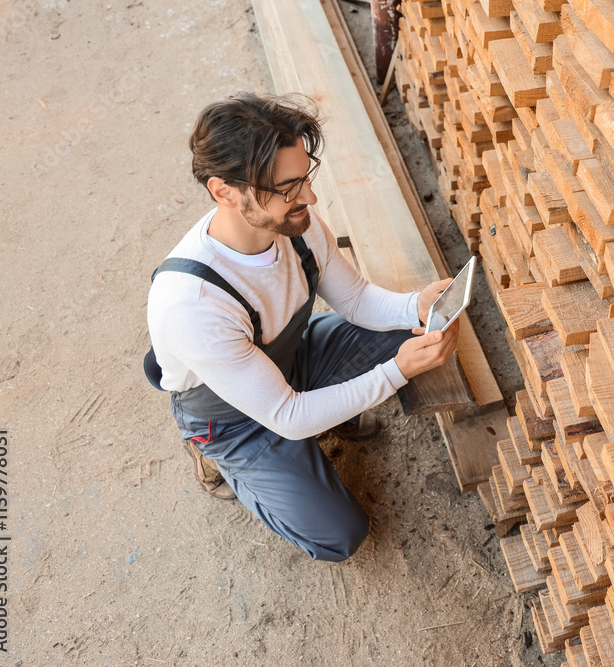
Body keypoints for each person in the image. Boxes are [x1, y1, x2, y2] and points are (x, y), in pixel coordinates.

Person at [145, 92, 460, 562]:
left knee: (416, 329)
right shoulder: (192, 305)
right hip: (232, 419)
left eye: (306, 178)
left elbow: (354, 299)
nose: (309, 197)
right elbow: (287, 418)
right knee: (340, 535)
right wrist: (394, 373)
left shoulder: (297, 223)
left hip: (293, 354)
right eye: (288, 187)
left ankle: (329, 409)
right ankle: (222, 461)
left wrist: (415, 305)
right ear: (224, 192)